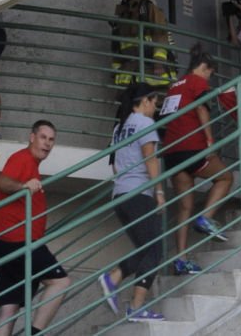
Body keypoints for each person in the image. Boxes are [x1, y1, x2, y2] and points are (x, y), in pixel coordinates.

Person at [0, 121, 68, 335]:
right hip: (17, 240)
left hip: (4, 240)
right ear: (32, 137)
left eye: (51, 140)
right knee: (60, 281)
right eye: (43, 137)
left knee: (9, 306)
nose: (47, 144)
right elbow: (1, 182)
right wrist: (23, 186)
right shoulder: (23, 158)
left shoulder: (31, 164)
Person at [161, 47, 234, 272]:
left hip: (171, 152)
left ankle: (181, 259)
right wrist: (210, 140)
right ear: (204, 68)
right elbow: (202, 109)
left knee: (184, 207)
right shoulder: (197, 82)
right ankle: (205, 218)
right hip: (191, 146)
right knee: (225, 178)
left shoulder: (174, 86)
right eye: (210, 73)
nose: (209, 78)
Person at [99, 85, 166, 322]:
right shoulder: (144, 124)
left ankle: (121, 288)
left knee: (147, 248)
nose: (156, 108)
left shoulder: (119, 127)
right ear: (145, 101)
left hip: (120, 195)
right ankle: (128, 295)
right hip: (139, 195)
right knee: (156, 249)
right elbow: (151, 159)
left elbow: (116, 165)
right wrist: (159, 191)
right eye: (155, 102)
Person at [111, 0, 174, 90]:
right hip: (130, 73)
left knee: (152, 105)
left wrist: (159, 64)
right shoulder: (123, 15)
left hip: (151, 71)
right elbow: (117, 46)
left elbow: (160, 37)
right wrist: (116, 71)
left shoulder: (148, 10)